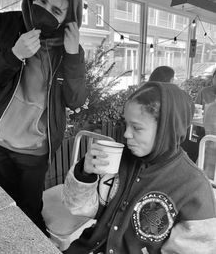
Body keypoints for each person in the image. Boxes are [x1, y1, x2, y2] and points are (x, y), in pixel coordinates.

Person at [0, 0, 86, 236]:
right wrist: (14, 54)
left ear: (68, 18)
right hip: (0, 143)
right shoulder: (2, 26)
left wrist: (72, 56)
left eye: (57, 10)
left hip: (37, 152)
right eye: (41, 2)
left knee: (29, 212)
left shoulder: (70, 48)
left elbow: (75, 100)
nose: (46, 12)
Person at [62, 82, 216, 253]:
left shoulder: (194, 188)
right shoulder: (120, 160)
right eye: (126, 124)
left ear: (167, 129)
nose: (126, 134)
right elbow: (77, 207)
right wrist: (85, 174)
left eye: (136, 127)